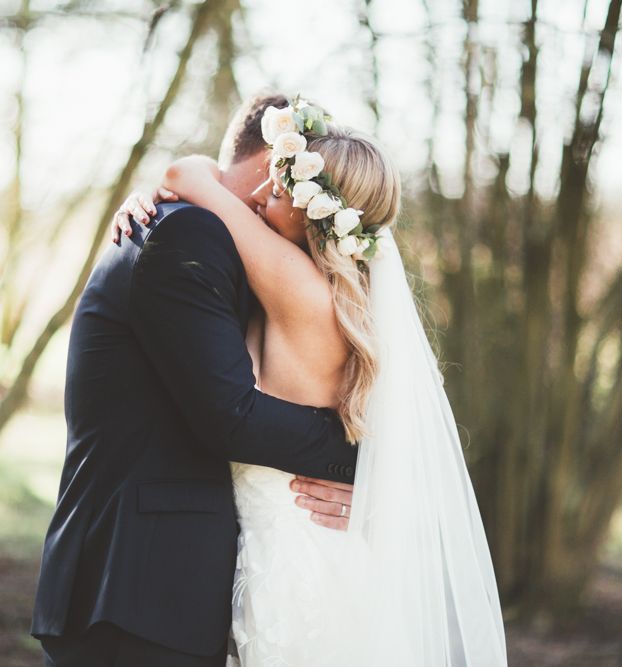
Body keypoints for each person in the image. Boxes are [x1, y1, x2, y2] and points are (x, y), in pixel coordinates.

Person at [118, 95, 509, 665]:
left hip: (292, 567)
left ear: (310, 212)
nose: (256, 197)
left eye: (276, 191)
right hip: (318, 554)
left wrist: (153, 200)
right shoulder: (352, 303)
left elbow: (187, 175)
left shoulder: (294, 283)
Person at [30, 94, 359, 667]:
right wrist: (363, 458)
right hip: (138, 589)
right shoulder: (188, 235)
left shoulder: (194, 232)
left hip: (148, 589)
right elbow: (229, 414)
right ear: (274, 165)